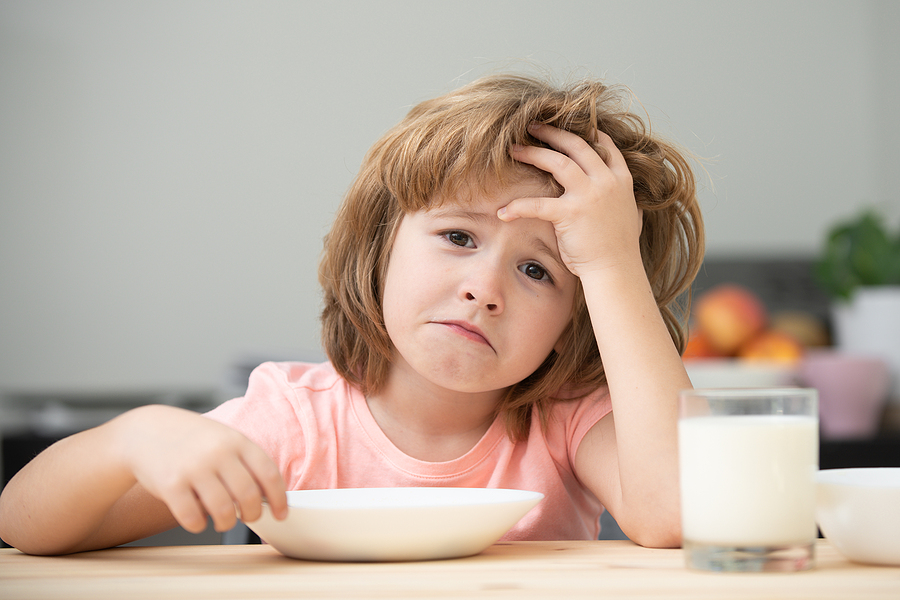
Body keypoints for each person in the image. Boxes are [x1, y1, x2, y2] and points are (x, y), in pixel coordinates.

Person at [0, 72, 704, 555]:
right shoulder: (296, 421)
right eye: (458, 237)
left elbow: (679, 511)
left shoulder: (569, 420)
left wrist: (611, 263)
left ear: (573, 325)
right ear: (379, 248)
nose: (484, 289)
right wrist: (134, 438)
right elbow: (25, 528)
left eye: (538, 270)